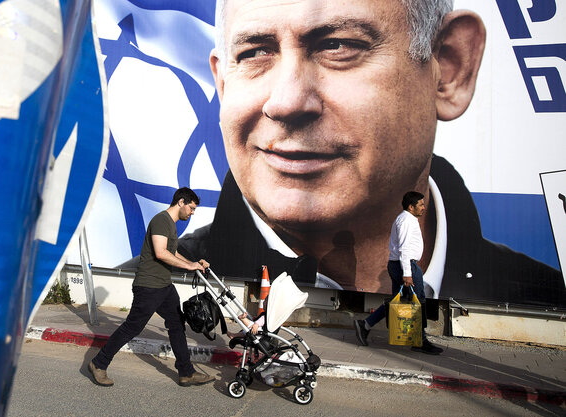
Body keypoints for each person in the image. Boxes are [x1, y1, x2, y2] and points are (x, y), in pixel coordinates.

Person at [177, 0, 565, 308]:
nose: (286, 101)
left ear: (448, 69)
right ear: (223, 83)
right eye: (255, 52)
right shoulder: (166, 293)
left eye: (338, 46)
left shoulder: (547, 300)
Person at [87, 187, 216, 387]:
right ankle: (99, 363)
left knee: (176, 324)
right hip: (149, 286)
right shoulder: (161, 220)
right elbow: (161, 253)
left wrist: (194, 264)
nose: (192, 213)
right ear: (181, 202)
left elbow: (172, 251)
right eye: (191, 208)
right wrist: (189, 266)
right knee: (132, 327)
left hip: (164, 285)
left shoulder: (170, 225)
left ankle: (186, 372)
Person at [354, 192, 443, 354]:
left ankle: (365, 325)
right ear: (411, 206)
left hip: (400, 265)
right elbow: (404, 248)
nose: (423, 207)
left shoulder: (408, 219)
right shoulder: (406, 221)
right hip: (405, 265)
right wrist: (407, 273)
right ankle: (420, 341)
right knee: (418, 301)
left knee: (397, 301)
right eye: (420, 205)